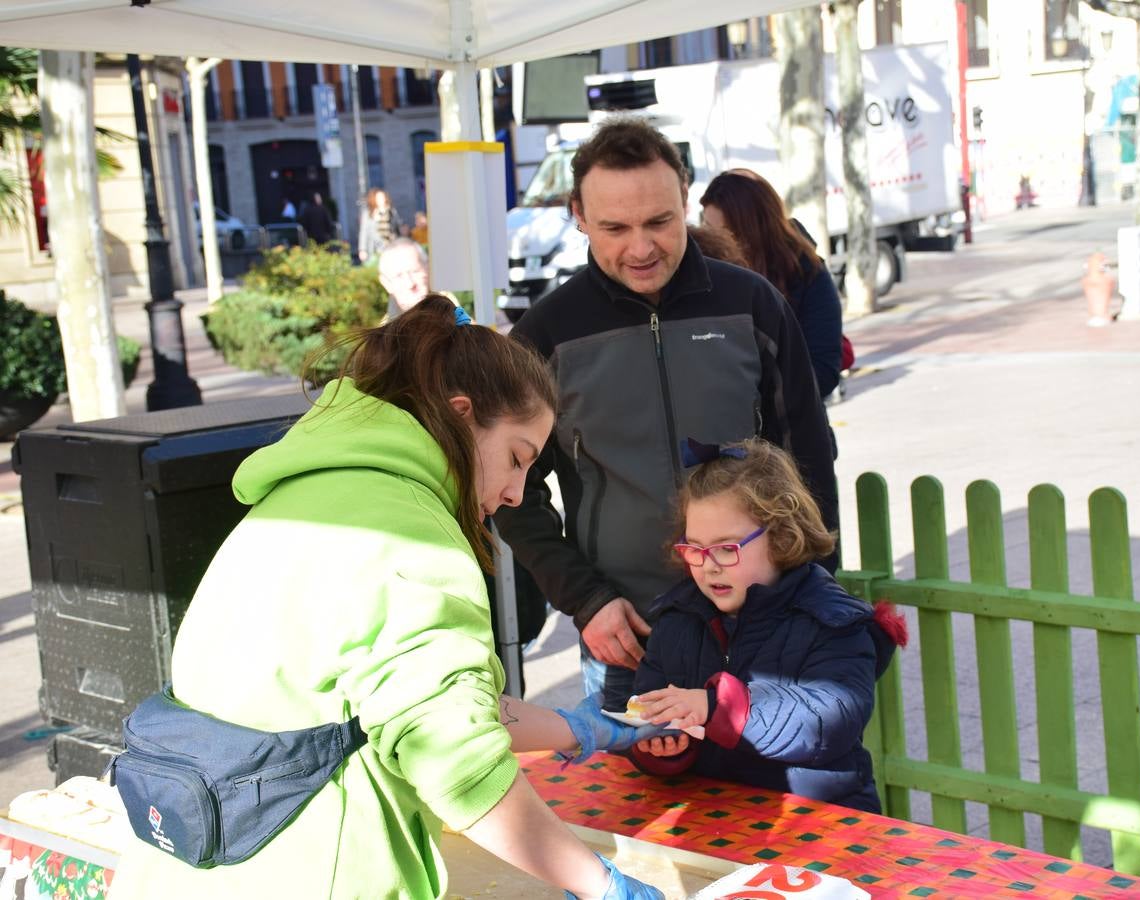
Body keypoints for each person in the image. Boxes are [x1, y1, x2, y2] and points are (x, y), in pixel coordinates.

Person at [108, 295, 664, 900]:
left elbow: (395, 709)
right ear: (460, 415)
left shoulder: (305, 498)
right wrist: (599, 884)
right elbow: (459, 765)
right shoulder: (412, 540)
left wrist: (575, 728)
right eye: (517, 459)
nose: (514, 493)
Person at [493, 117, 839, 715]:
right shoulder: (545, 336)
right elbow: (509, 493)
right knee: (643, 811)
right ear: (578, 213)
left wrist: (821, 596)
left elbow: (808, 460)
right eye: (614, 228)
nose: (641, 247)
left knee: (777, 805)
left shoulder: (753, 306)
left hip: (763, 629)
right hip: (628, 637)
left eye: (659, 221)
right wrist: (584, 599)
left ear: (685, 198)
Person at [629, 438, 907, 813]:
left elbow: (826, 720)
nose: (709, 566)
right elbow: (650, 700)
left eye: (727, 548)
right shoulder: (679, 618)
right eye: (694, 548)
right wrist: (663, 746)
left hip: (821, 822)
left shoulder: (833, 621)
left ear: (780, 535)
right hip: (715, 820)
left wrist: (715, 708)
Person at [700, 169, 844, 399]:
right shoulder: (705, 276)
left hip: (792, 427)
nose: (709, 239)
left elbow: (823, 370)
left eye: (721, 233)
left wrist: (754, 402)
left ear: (749, 231)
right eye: (705, 226)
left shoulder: (807, 273)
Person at [378, 237, 431, 319]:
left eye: (415, 271)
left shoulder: (454, 311)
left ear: (427, 268)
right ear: (387, 284)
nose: (410, 284)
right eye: (399, 276)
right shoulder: (385, 331)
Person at [358, 187, 404, 263]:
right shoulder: (368, 214)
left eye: (383, 197)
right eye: (379, 198)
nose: (382, 199)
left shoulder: (391, 211)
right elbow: (363, 232)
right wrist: (362, 249)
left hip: (390, 247)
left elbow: (398, 227)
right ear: (374, 199)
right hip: (374, 248)